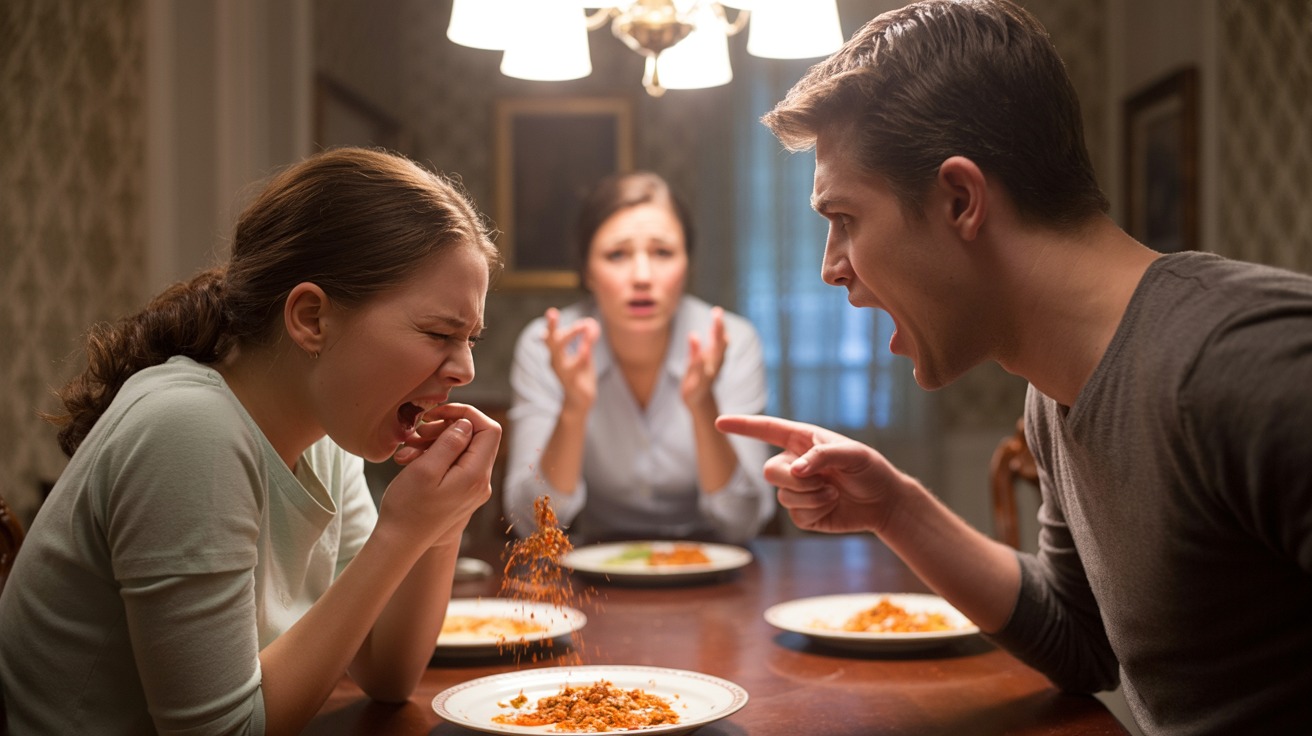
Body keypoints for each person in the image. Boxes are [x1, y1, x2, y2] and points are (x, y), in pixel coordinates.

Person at [716, 1, 1312, 733]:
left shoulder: (1249, 362)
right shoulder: (1054, 392)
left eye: (844, 220)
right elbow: (1079, 640)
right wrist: (895, 509)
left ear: (961, 199)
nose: (830, 269)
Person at [0, 147, 503, 735]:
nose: (465, 369)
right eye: (440, 332)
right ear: (312, 318)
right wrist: (400, 534)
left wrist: (440, 528)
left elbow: (388, 671)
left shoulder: (322, 433)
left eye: (470, 338)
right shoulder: (187, 427)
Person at [503, 171, 774, 544]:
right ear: (587, 271)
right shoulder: (547, 345)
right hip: (598, 566)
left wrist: (703, 404)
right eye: (617, 254)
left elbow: (744, 522)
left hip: (711, 560)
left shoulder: (730, 340)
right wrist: (574, 409)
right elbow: (533, 526)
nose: (642, 275)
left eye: (663, 253)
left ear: (687, 266)